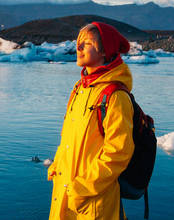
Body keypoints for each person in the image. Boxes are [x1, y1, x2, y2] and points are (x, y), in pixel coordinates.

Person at [48, 22, 135, 220]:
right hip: (65, 193)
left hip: (93, 201)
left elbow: (119, 153)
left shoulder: (114, 96)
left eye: (86, 43)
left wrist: (82, 188)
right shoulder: (80, 88)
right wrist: (57, 165)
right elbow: (68, 137)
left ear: (105, 50)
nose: (78, 48)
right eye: (78, 42)